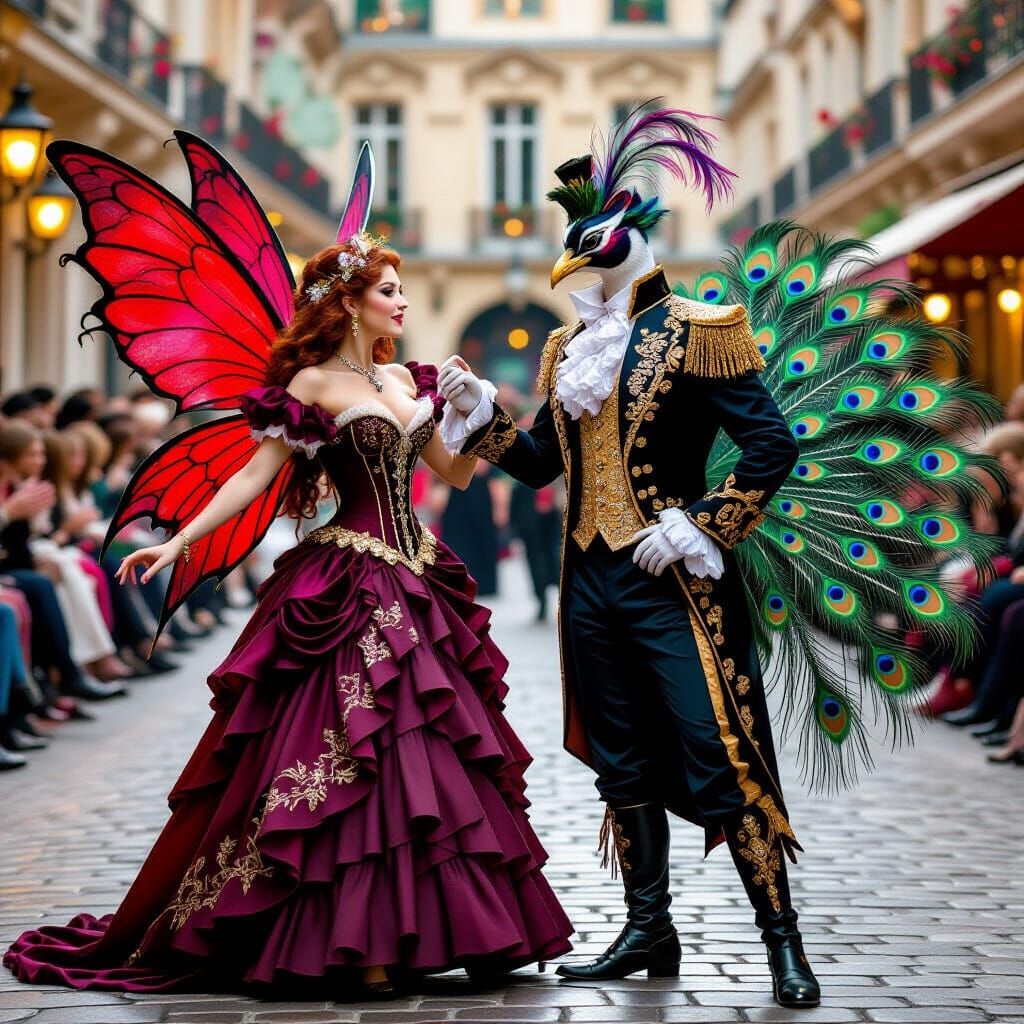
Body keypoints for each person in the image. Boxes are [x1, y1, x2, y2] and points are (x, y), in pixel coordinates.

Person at [439, 102, 1001, 1009]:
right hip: (589, 584)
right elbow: (543, 466)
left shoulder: (703, 327)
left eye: (588, 251)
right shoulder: (564, 350)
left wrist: (705, 522)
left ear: (625, 242)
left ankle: (783, 942)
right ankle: (647, 927)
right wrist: (480, 418)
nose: (572, 270)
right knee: (621, 759)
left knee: (720, 749)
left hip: (674, 581)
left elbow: (773, 446)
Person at [4, 134, 572, 996]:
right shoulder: (310, 386)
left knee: (420, 755)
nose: (403, 302)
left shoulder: (410, 384)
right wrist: (179, 539)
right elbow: (254, 474)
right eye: (388, 290)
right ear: (347, 302)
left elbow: (449, 477)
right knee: (342, 751)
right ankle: (346, 940)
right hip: (345, 577)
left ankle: (411, 933)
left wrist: (470, 415)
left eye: (402, 290)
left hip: (415, 574)